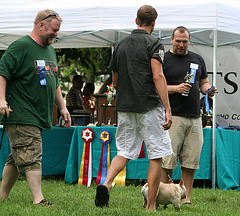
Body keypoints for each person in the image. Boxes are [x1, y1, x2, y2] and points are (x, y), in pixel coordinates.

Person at [95, 5, 173, 211]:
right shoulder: (154, 43)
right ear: (154, 23)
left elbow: (115, 80)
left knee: (124, 151)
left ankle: (106, 183)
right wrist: (167, 108)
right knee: (155, 155)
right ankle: (150, 206)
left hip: (125, 106)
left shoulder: (120, 45)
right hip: (149, 105)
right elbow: (158, 76)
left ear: (136, 20)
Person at [0, 9, 71, 206]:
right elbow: (2, 72)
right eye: (54, 30)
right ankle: (38, 200)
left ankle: (2, 196)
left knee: (16, 157)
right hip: (21, 112)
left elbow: (54, 80)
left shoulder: (49, 50)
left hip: (39, 114)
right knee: (32, 154)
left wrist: (63, 107)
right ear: (41, 25)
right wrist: (1, 101)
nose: (56, 34)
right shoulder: (21, 46)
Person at [161, 26, 217, 204]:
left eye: (184, 41)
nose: (181, 44)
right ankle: (164, 194)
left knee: (191, 160)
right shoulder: (163, 59)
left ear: (189, 41)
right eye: (178, 41)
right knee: (168, 159)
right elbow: (156, 87)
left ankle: (186, 196)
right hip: (172, 116)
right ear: (171, 39)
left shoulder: (197, 59)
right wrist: (176, 88)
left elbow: (203, 82)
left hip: (194, 117)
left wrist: (208, 90)